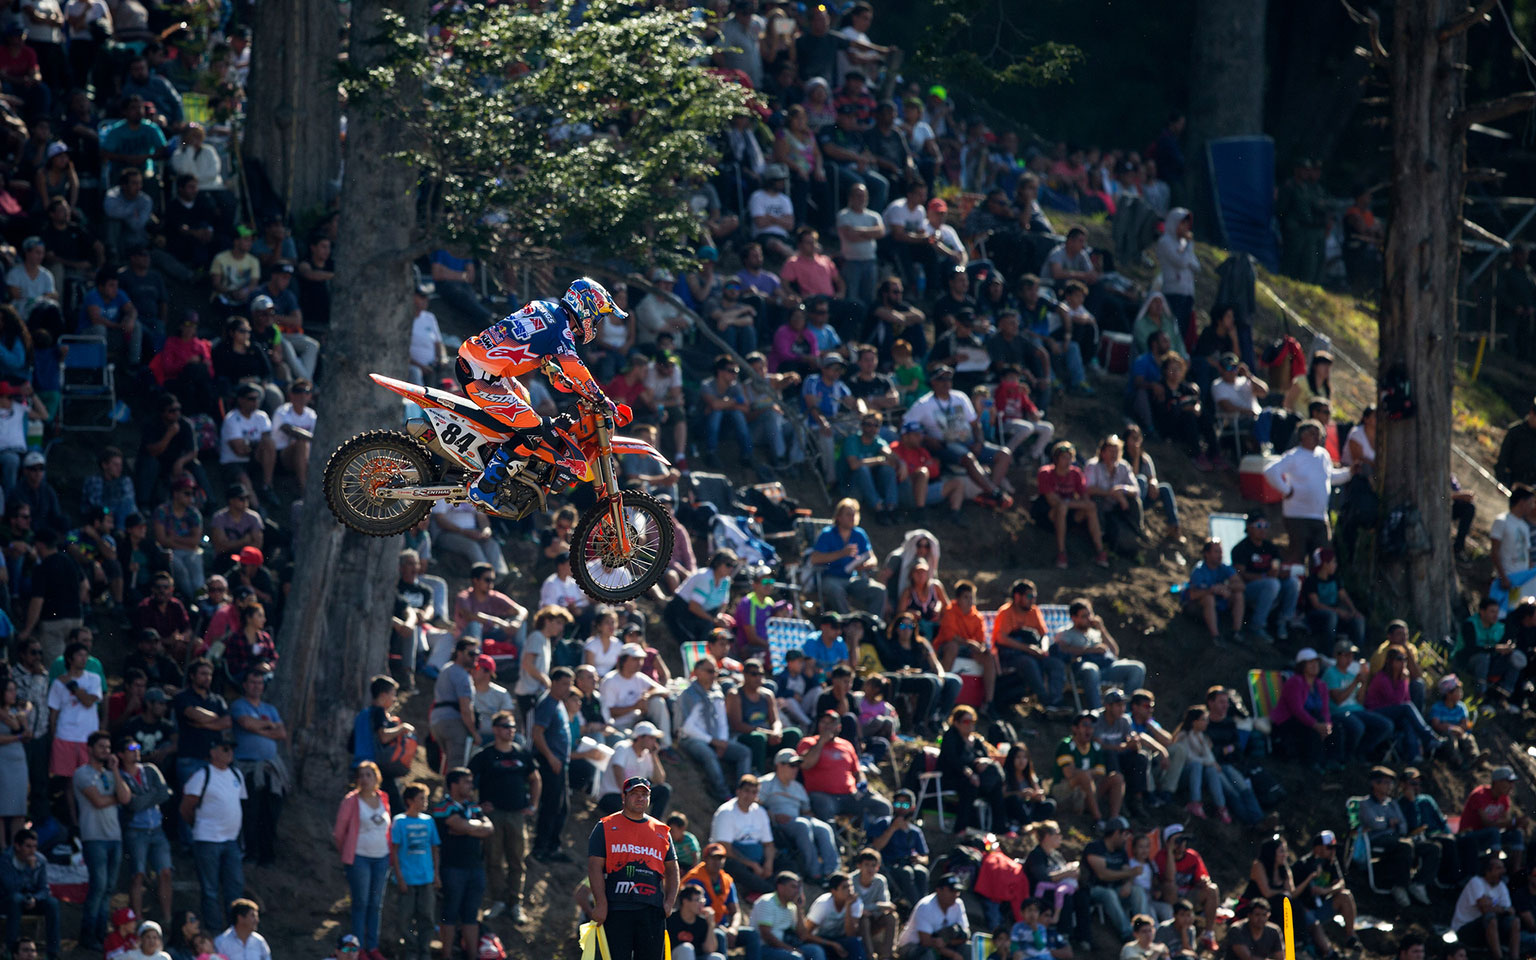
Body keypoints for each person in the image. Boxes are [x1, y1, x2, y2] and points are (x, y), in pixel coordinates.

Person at [457, 277, 625, 508]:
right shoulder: (561, 330)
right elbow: (575, 367)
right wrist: (600, 398)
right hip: (480, 378)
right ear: (586, 308)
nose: (596, 323)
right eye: (598, 316)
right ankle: (483, 487)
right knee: (533, 431)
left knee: (526, 403)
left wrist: (548, 365)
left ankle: (492, 457)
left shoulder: (544, 307)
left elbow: (524, 338)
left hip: (481, 365)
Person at [588, 776, 680, 960]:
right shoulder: (605, 826)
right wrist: (601, 903)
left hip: (652, 910)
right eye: (634, 793)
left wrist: (669, 903)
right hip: (616, 909)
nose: (640, 798)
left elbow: (673, 869)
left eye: (644, 794)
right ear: (623, 797)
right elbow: (594, 867)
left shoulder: (662, 831)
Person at [178, 731, 246, 933]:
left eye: (231, 749)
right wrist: (199, 827)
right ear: (213, 752)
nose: (229, 752)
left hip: (231, 840)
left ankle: (235, 932)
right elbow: (186, 808)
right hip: (207, 840)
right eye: (225, 749)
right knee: (210, 890)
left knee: (235, 887)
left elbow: (237, 803)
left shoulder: (236, 775)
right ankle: (215, 932)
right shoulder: (202, 775)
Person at [1264, 420, 1354, 563]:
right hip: (1297, 516)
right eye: (1312, 433)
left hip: (1320, 516)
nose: (1317, 437)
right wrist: (1286, 490)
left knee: (1323, 558)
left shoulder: (1323, 455)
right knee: (1297, 556)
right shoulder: (1294, 455)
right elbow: (1270, 471)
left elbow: (1330, 477)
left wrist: (1349, 473)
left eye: (1319, 434)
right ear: (1302, 435)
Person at [74, 730, 128, 950]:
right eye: (101, 747)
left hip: (114, 837)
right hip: (94, 837)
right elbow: (97, 801)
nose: (106, 751)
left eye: (108, 747)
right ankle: (87, 936)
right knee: (98, 887)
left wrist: (115, 770)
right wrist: (115, 799)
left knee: (108, 889)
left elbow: (125, 797)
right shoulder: (82, 773)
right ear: (90, 749)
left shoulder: (111, 774)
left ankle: (100, 936)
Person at [432, 767, 493, 960]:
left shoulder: (473, 807)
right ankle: (447, 955)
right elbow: (460, 824)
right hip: (452, 868)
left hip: (475, 868)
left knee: (471, 914)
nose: (470, 786)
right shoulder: (443, 806)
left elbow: (489, 828)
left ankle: (472, 955)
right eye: (466, 782)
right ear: (454, 784)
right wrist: (472, 827)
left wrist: (467, 828)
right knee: (449, 912)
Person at [333, 761, 392, 957]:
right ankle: (357, 950)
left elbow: (387, 827)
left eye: (369, 775)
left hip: (381, 858)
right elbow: (339, 832)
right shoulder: (351, 801)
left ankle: (372, 947)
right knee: (360, 903)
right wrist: (347, 852)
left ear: (376, 778)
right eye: (361, 775)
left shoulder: (383, 798)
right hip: (359, 859)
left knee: (376, 905)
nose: (365, 779)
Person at [797, 710, 892, 824]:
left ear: (839, 727)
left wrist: (862, 785)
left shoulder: (846, 745)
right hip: (822, 795)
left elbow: (857, 772)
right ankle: (832, 835)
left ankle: (877, 835)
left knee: (883, 806)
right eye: (823, 722)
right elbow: (805, 764)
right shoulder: (808, 743)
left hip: (850, 795)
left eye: (830, 723)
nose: (826, 726)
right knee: (823, 805)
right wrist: (821, 742)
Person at [759, 749, 839, 883]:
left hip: (799, 818)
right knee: (803, 826)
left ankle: (832, 871)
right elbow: (756, 806)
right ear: (779, 765)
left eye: (797, 766)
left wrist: (811, 817)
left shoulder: (798, 787)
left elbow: (806, 811)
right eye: (792, 765)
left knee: (824, 828)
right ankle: (814, 872)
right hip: (778, 823)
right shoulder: (765, 783)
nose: (795, 769)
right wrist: (773, 816)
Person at [1051, 598, 1146, 711]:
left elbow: (1114, 652)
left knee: (1137, 668)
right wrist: (1091, 650)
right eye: (1084, 616)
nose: (1089, 618)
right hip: (1082, 669)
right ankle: (1098, 712)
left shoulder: (1095, 632)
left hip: (1105, 667)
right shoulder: (1066, 633)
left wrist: (1102, 628)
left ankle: (1125, 711)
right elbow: (1062, 649)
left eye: (1090, 614)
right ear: (1074, 618)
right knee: (1092, 669)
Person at [390, 782, 440, 960]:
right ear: (410, 801)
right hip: (407, 879)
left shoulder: (428, 821)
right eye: (421, 798)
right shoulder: (399, 821)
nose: (425, 801)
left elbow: (434, 849)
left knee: (427, 917)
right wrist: (399, 877)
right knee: (405, 918)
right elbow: (394, 851)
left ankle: (424, 952)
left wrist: (436, 874)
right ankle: (411, 951)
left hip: (426, 878)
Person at [1, 829, 59, 958]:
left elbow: (44, 889)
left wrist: (34, 898)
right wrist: (29, 870)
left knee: (52, 903)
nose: (32, 851)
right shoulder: (5, 860)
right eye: (28, 846)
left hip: (31, 900)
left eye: (34, 846)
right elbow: (11, 887)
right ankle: (11, 950)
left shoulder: (40, 860)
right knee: (16, 898)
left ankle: (52, 952)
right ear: (17, 846)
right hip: (8, 901)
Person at [1452, 852, 1519, 960]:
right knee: (1490, 917)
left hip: (1486, 929)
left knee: (1514, 921)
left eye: (1503, 868)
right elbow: (1485, 909)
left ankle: (1515, 957)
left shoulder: (1501, 886)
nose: (1503, 871)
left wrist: (1492, 905)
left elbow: (1510, 911)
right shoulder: (1476, 882)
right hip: (1465, 929)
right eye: (1499, 868)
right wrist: (1501, 908)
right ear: (1488, 871)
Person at [896, 873, 969, 960]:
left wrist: (947, 941)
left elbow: (966, 934)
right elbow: (925, 942)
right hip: (912, 946)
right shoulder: (925, 906)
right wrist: (953, 955)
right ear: (939, 890)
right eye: (951, 890)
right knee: (928, 954)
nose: (955, 894)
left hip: (942, 946)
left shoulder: (958, 903)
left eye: (957, 891)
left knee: (968, 948)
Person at [805, 873, 867, 960]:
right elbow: (806, 933)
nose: (850, 890)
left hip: (840, 939)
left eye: (851, 886)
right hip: (820, 940)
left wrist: (848, 907)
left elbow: (851, 934)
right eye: (844, 887)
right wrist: (832, 944)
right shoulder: (823, 904)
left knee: (855, 942)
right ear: (833, 891)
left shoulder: (855, 903)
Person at [671, 883, 727, 960]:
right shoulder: (671, 919)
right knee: (686, 948)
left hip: (697, 957)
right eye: (698, 900)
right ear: (685, 901)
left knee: (717, 958)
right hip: (672, 956)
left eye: (703, 901)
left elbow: (710, 949)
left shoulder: (702, 922)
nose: (702, 904)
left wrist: (711, 924)